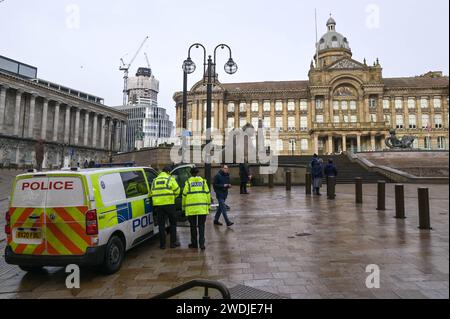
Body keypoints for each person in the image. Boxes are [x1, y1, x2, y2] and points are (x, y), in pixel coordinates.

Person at [150, 165, 181, 249]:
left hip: (159, 206)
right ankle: (173, 243)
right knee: (173, 223)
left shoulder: (155, 180)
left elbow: (151, 193)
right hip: (169, 205)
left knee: (161, 225)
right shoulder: (170, 179)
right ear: (168, 172)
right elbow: (177, 190)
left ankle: (162, 245)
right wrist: (173, 197)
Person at [182, 167, 211, 250]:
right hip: (202, 207)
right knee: (201, 226)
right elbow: (208, 194)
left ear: (191, 174)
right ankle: (202, 244)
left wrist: (183, 207)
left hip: (191, 208)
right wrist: (208, 206)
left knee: (193, 226)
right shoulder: (203, 182)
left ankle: (194, 243)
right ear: (198, 173)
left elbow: (184, 196)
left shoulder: (188, 182)